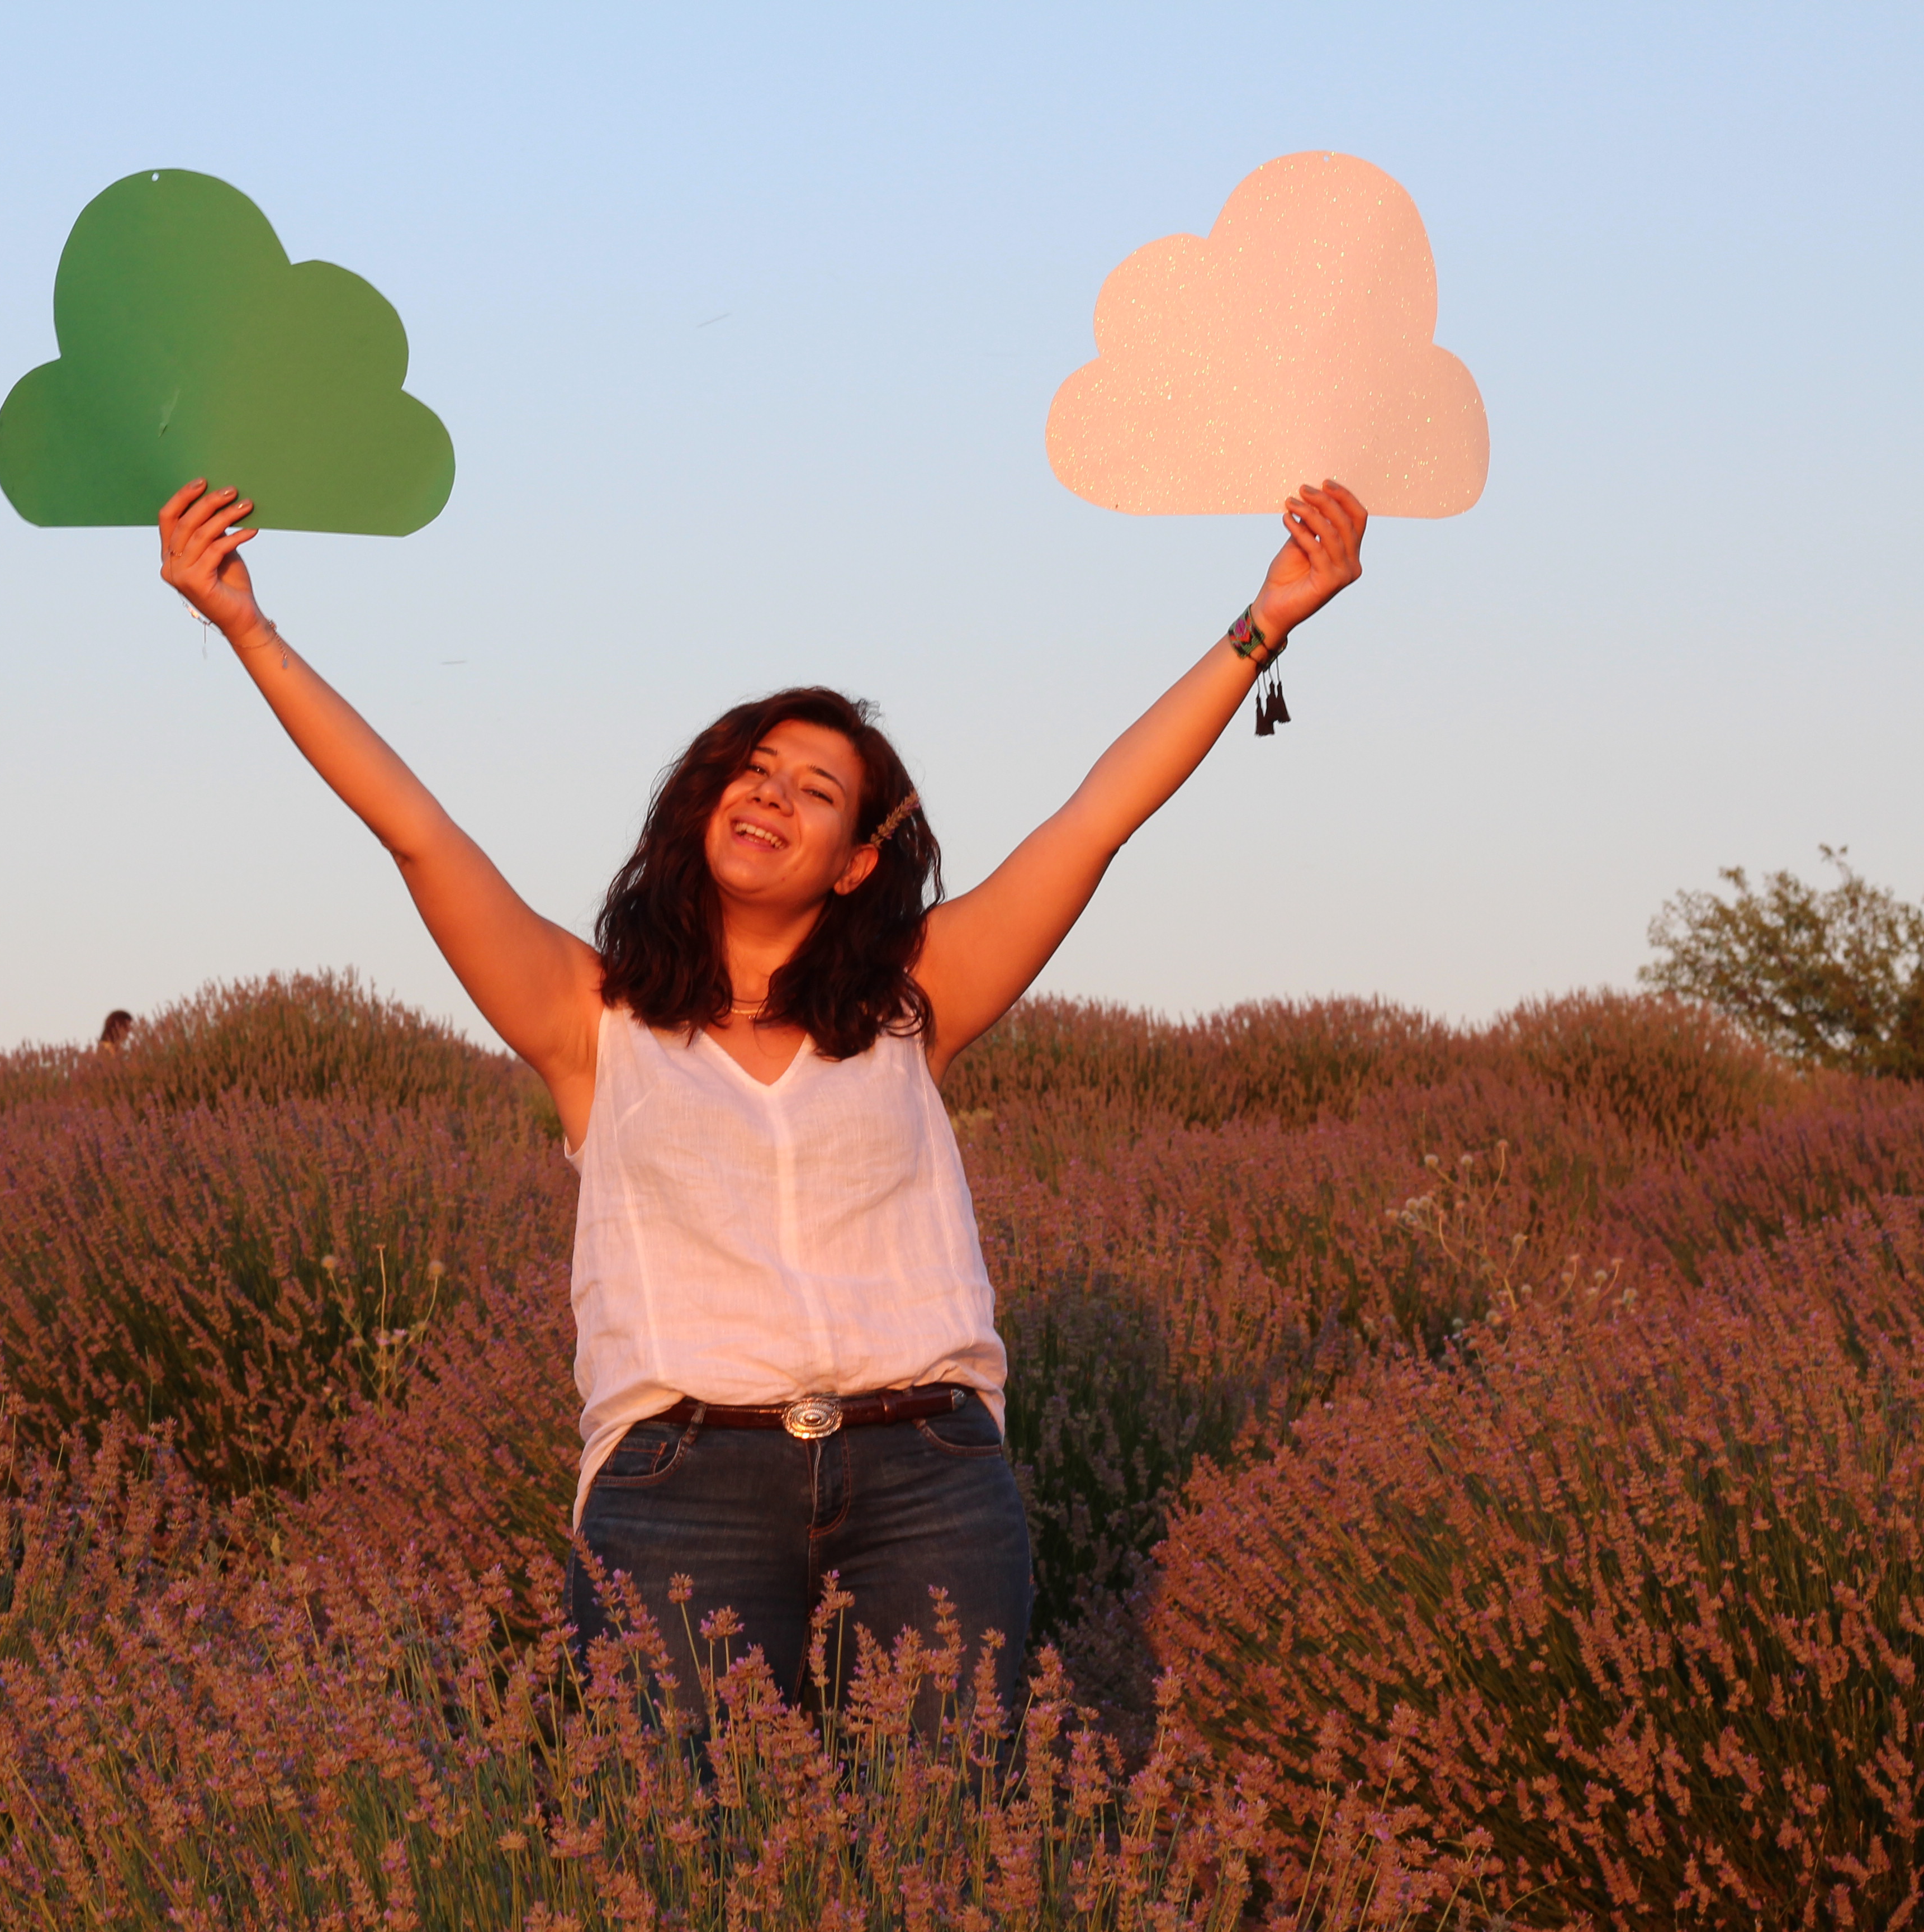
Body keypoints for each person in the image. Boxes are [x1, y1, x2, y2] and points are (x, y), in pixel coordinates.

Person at [155, 475, 1368, 1722]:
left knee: (946, 1857)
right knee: (680, 1856)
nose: (772, 793)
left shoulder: (915, 999)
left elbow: (1099, 817)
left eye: (816, 789)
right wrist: (252, 632)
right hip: (680, 1483)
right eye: (756, 767)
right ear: (705, 802)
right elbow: (415, 832)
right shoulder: (594, 1022)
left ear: (854, 865)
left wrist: (1263, 623)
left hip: (930, 1477)